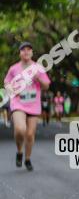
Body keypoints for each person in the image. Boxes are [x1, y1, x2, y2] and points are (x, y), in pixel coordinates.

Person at [3, 42, 50, 171]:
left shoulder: (38, 68)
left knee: (29, 134)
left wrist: (38, 79)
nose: (26, 52)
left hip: (33, 105)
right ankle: (19, 151)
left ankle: (27, 159)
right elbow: (6, 82)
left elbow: (46, 86)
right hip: (18, 103)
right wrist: (11, 88)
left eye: (29, 50)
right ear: (20, 53)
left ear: (32, 53)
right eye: (23, 50)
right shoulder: (14, 69)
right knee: (20, 129)